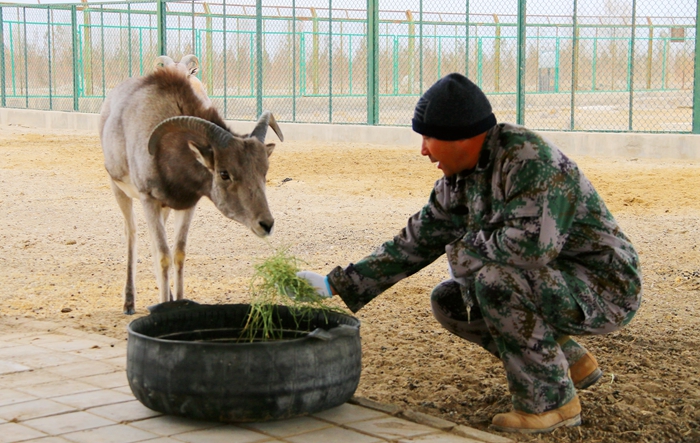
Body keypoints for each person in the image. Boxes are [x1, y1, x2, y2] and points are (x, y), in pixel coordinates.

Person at [295, 73, 642, 434]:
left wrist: (463, 252)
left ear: (462, 137)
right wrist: (335, 283)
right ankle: (569, 362)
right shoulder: (462, 176)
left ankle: (552, 403)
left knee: (494, 281)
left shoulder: (529, 161)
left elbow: (531, 247)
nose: (424, 150)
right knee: (451, 300)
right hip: (551, 281)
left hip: (603, 286)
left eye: (429, 137)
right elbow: (416, 240)